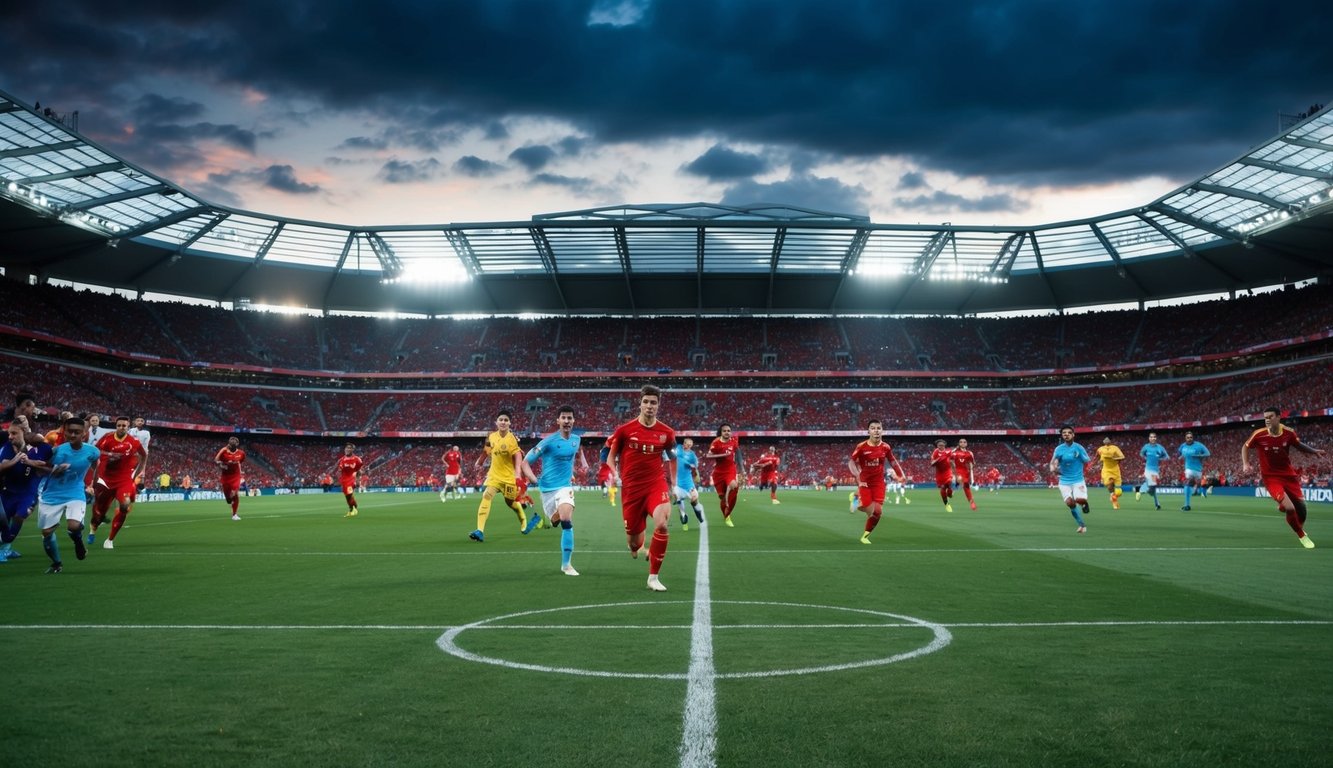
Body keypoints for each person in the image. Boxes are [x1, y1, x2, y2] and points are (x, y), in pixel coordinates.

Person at [608, 385, 677, 591]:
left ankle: (653, 578)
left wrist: (673, 483)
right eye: (646, 402)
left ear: (658, 405)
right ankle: (639, 542)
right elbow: (611, 456)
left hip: (655, 483)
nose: (649, 406)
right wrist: (615, 473)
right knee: (634, 544)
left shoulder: (667, 433)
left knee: (662, 524)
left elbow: (673, 457)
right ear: (640, 404)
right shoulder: (625, 431)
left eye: (653, 402)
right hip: (631, 489)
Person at [1241, 407, 1326, 549]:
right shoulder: (1259, 434)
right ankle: (1302, 535)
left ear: (1279, 417)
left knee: (1302, 511)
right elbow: (1245, 446)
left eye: (1270, 416)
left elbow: (1298, 445)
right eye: (1265, 417)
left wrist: (1314, 451)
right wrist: (1246, 463)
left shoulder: (1288, 433)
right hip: (1271, 478)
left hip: (1289, 476)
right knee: (1290, 508)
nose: (1267, 420)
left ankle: (1288, 512)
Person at [524, 405, 588, 575]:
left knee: (566, 520)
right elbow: (525, 462)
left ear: (574, 420)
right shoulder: (548, 442)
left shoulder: (576, 440)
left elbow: (569, 459)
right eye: (564, 418)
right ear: (558, 420)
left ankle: (566, 565)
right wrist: (533, 478)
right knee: (555, 520)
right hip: (547, 490)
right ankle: (554, 519)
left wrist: (571, 474)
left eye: (570, 418)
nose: (567, 421)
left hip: (565, 488)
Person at [35, 417, 100, 573]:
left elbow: (95, 467)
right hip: (52, 494)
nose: (73, 435)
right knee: (46, 533)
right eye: (70, 431)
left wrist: (92, 485)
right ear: (65, 433)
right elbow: (40, 470)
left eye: (77, 432)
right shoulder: (56, 451)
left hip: (75, 491)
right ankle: (56, 563)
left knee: (74, 525)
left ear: (84, 434)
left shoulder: (92, 452)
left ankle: (78, 542)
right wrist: (54, 471)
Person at [469, 410, 530, 541]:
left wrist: (518, 473)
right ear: (496, 422)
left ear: (510, 423)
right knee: (486, 495)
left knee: (510, 502)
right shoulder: (491, 436)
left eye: (506, 420)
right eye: (501, 420)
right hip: (494, 476)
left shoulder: (512, 439)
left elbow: (518, 455)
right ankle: (480, 531)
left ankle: (523, 519)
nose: (503, 422)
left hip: (508, 477)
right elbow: (487, 449)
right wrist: (479, 462)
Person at [89, 416, 148, 549]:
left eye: (124, 426)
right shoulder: (107, 437)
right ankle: (93, 527)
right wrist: (109, 456)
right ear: (116, 426)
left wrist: (140, 471)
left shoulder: (134, 442)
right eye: (119, 425)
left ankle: (110, 539)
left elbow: (144, 455)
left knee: (125, 505)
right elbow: (95, 451)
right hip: (106, 479)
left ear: (128, 427)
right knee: (100, 509)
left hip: (124, 479)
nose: (122, 427)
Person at [0, 422, 53, 561]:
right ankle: (6, 545)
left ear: (24, 432)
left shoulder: (36, 448)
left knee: (19, 516)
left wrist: (31, 462)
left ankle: (5, 546)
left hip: (28, 492)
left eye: (14, 433)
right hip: (8, 491)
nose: (10, 436)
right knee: (4, 521)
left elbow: (48, 466)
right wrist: (16, 460)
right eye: (9, 433)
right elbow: (2, 466)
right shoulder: (7, 447)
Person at [848, 418, 906, 544]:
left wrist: (901, 474)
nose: (876, 431)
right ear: (868, 431)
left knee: (877, 512)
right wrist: (857, 476)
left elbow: (892, 461)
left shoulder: (885, 447)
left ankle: (865, 536)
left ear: (882, 431)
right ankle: (856, 497)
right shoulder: (862, 446)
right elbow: (851, 461)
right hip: (864, 482)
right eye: (873, 428)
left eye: (878, 428)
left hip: (879, 483)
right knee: (868, 509)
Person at [1049, 425, 1092, 533]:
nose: (1066, 434)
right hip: (1064, 481)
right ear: (1062, 435)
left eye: (1069, 432)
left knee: (1079, 500)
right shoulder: (1059, 449)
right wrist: (1053, 468)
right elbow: (1053, 462)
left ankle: (1085, 503)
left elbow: (1086, 460)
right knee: (1070, 503)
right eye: (1064, 433)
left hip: (1078, 480)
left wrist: (1078, 456)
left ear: (1073, 435)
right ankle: (1081, 525)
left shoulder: (1079, 448)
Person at [705, 423, 742, 527]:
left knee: (734, 486)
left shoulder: (734, 440)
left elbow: (738, 453)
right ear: (721, 432)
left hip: (730, 469)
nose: (727, 432)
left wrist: (742, 468)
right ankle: (726, 517)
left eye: (728, 430)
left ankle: (728, 512)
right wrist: (722, 455)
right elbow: (708, 455)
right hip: (719, 472)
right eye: (724, 431)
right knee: (722, 497)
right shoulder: (716, 442)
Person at [674, 437, 707, 530]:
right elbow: (671, 445)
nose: (688, 446)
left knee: (694, 500)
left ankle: (699, 515)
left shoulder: (692, 455)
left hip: (688, 484)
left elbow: (695, 466)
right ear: (684, 444)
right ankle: (683, 517)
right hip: (678, 483)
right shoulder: (678, 448)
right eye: (687, 444)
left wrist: (692, 466)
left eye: (690, 445)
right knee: (677, 498)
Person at [1177, 431, 1211, 511]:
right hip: (1189, 468)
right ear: (1185, 438)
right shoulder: (1183, 446)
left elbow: (1208, 453)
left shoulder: (1199, 445)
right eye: (1188, 437)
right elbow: (1178, 453)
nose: (1189, 439)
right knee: (1188, 483)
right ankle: (1187, 505)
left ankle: (1202, 490)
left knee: (1197, 484)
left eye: (1191, 437)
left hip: (1198, 469)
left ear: (1193, 438)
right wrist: (1180, 456)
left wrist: (1200, 455)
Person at [1136, 432, 1169, 510]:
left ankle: (1141, 490)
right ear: (1149, 438)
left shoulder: (1160, 448)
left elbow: (1166, 456)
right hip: (1148, 469)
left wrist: (1160, 458)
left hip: (1155, 471)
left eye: (1154, 437)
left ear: (1156, 438)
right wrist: (1146, 458)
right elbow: (1141, 453)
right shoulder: (1146, 447)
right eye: (1151, 437)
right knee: (1151, 486)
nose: (1152, 438)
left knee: (1152, 488)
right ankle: (1157, 504)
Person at [215, 435, 246, 520]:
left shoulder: (241, 453)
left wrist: (240, 471)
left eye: (235, 442)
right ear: (229, 443)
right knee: (228, 497)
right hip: (225, 476)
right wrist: (222, 465)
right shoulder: (224, 451)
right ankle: (229, 500)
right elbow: (216, 460)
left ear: (237, 444)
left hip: (236, 476)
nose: (233, 444)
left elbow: (240, 462)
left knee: (234, 493)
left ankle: (234, 514)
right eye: (231, 442)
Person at [1095, 436, 1127, 510]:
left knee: (1119, 492)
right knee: (1109, 485)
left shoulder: (1115, 448)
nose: (1105, 440)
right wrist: (1096, 464)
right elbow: (1097, 456)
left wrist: (1114, 458)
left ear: (1110, 440)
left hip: (1115, 470)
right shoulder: (1100, 449)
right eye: (1104, 438)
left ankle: (1114, 496)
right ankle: (1114, 500)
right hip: (1106, 470)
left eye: (1107, 438)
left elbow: (1122, 457)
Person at [337, 443, 365, 518]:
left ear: (353, 450)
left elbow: (360, 471)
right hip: (345, 481)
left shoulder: (357, 459)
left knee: (349, 495)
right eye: (346, 448)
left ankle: (353, 509)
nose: (347, 449)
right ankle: (353, 508)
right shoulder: (342, 459)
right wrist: (339, 478)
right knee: (347, 496)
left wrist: (359, 480)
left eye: (349, 448)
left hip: (352, 479)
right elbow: (340, 470)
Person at [929, 439, 955, 512]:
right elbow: (932, 463)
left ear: (945, 445)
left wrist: (954, 466)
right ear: (937, 446)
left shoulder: (948, 451)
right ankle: (947, 504)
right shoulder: (935, 452)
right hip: (940, 473)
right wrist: (938, 460)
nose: (941, 446)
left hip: (947, 471)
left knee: (949, 482)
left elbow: (952, 460)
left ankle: (950, 493)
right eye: (939, 445)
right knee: (943, 488)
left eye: (942, 445)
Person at [952, 438, 977, 511]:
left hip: (966, 472)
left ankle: (971, 502)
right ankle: (956, 484)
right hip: (958, 471)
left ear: (966, 444)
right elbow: (947, 456)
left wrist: (971, 466)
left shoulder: (969, 453)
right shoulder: (955, 453)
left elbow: (973, 463)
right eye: (961, 442)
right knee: (961, 480)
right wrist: (955, 449)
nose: (963, 443)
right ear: (959, 444)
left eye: (964, 442)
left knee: (966, 486)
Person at [597, 439, 618, 506]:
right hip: (607, 464)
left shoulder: (605, 450)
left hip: (606, 464)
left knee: (605, 480)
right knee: (606, 480)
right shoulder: (606, 450)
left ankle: (607, 491)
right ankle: (608, 491)